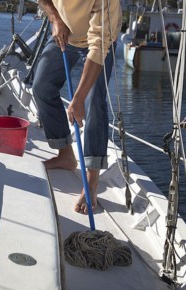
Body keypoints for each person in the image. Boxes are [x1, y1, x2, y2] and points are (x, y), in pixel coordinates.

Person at [32, 1, 122, 214]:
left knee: (94, 103)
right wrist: (55, 18)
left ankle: (91, 182)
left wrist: (79, 98)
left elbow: (99, 46)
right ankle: (66, 154)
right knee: (42, 87)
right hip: (65, 32)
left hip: (98, 43)